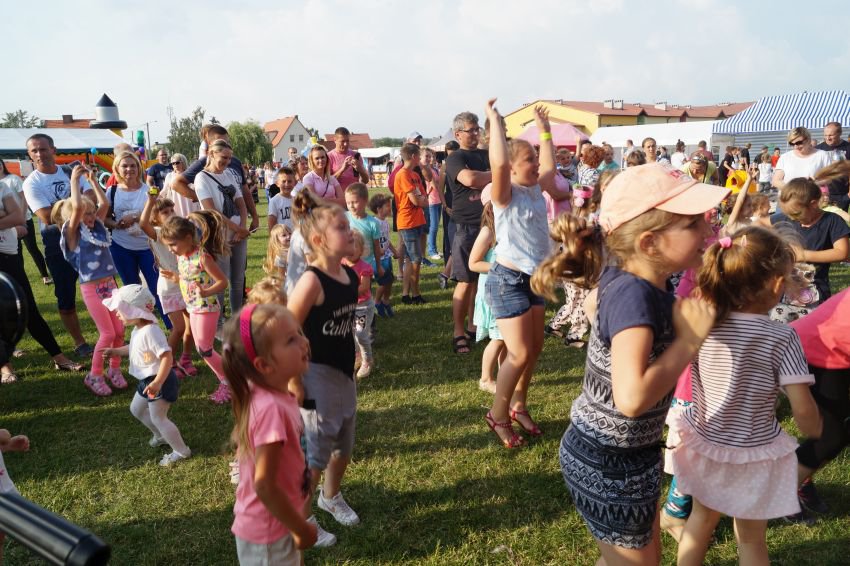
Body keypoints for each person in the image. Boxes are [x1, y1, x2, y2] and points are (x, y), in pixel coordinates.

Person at [533, 163, 728, 564]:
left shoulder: (634, 282)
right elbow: (632, 399)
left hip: (628, 456)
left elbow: (594, 306)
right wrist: (689, 340)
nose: (708, 231)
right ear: (649, 243)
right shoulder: (634, 296)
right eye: (693, 224)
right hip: (608, 463)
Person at [672, 226, 822, 565]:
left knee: (700, 523)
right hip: (755, 453)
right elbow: (802, 408)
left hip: (706, 444)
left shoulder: (703, 326)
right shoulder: (782, 337)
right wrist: (814, 427)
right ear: (778, 284)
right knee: (752, 540)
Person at [287, 190, 359, 548]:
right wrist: (293, 379)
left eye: (348, 225)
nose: (350, 231)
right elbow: (287, 330)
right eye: (341, 227)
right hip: (315, 376)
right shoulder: (311, 281)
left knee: (343, 444)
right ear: (318, 241)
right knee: (314, 455)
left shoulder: (349, 277)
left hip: (344, 375)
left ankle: (330, 497)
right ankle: (301, 521)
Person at [482, 101, 556, 448]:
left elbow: (550, 168)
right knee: (520, 353)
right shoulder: (504, 196)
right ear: (512, 168)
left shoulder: (536, 189)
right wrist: (495, 124)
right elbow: (498, 163)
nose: (536, 164)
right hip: (507, 282)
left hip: (533, 280)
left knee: (535, 348)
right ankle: (497, 415)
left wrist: (545, 131)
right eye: (530, 160)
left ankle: (518, 406)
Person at [222, 303, 317, 564]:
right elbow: (264, 484)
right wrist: (300, 528)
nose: (305, 342)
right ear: (263, 365)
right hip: (268, 533)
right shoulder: (270, 409)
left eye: (299, 333)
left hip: (278, 521)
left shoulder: (274, 394)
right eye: (291, 340)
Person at [0, 168, 83, 383]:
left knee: (27, 308)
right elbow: (11, 219)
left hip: (8, 255)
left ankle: (59, 358)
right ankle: (6, 368)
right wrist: (4, 217)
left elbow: (18, 216)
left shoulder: (2, 187)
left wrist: (9, 218)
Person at [102, 284, 192, 466]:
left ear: (134, 310)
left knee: (159, 418)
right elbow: (135, 347)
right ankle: (161, 435)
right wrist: (116, 351)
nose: (117, 314)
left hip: (159, 381)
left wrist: (158, 382)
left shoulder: (151, 331)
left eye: (120, 309)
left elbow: (167, 356)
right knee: (136, 409)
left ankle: (181, 451)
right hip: (147, 380)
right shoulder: (139, 329)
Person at [22, 133, 93, 357]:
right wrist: (78, 205)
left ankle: (110, 333)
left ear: (53, 150)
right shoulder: (31, 183)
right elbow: (46, 216)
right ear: (29, 155)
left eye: (43, 149)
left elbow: (91, 197)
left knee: (102, 289)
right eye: (34, 151)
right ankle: (80, 342)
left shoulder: (70, 171)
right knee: (66, 295)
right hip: (57, 242)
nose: (39, 154)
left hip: (87, 236)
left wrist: (65, 207)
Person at [60, 164, 127, 396]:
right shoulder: (73, 234)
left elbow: (104, 204)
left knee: (119, 330)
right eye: (84, 214)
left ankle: (114, 369)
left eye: (91, 213)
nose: (89, 217)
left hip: (110, 285)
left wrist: (92, 180)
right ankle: (94, 374)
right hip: (92, 288)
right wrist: (75, 180)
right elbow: (78, 206)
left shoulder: (96, 228)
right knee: (107, 333)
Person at [790, 286, 850, 523]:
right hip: (813, 349)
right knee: (831, 435)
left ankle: (800, 476)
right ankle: (782, 495)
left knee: (839, 432)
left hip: (833, 349)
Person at [160, 213, 231, 403]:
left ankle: (229, 382)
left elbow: (223, 282)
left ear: (188, 238)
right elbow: (189, 278)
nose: (170, 249)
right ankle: (228, 379)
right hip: (193, 308)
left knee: (205, 349)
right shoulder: (182, 257)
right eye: (168, 245)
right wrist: (176, 278)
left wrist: (207, 292)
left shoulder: (203, 257)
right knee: (203, 349)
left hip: (206, 308)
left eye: (173, 244)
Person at [445, 110, 492, 354]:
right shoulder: (455, 157)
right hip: (465, 226)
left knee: (479, 280)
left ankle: (474, 325)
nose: (475, 134)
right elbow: (471, 179)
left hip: (489, 225)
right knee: (464, 281)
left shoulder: (486, 154)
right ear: (458, 134)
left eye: (477, 129)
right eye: (470, 130)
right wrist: (497, 174)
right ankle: (458, 331)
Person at [106, 151, 168, 324]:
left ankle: (172, 327)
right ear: (117, 169)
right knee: (132, 291)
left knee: (158, 288)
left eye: (133, 165)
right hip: (121, 247)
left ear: (139, 168)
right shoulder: (111, 191)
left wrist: (135, 217)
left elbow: (159, 218)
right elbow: (104, 218)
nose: (129, 169)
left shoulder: (149, 191)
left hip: (148, 247)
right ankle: (142, 327)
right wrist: (116, 224)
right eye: (124, 166)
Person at [139, 194, 197, 378]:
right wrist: (150, 201)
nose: (171, 214)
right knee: (178, 328)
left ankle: (186, 359)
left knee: (191, 326)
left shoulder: (180, 232)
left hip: (185, 284)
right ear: (156, 218)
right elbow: (143, 224)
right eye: (165, 212)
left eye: (172, 210)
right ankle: (168, 363)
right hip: (169, 289)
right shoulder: (158, 234)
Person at [194, 139, 251, 319]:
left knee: (238, 279)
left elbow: (241, 203)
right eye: (224, 158)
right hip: (219, 235)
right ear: (211, 154)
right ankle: (217, 322)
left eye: (229, 158)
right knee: (220, 279)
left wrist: (242, 227)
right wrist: (237, 228)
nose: (227, 162)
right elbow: (212, 211)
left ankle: (237, 319)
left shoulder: (228, 174)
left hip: (238, 233)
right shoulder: (201, 177)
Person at [771, 177, 850, 302]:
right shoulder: (788, 218)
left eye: (796, 214)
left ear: (813, 204)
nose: (792, 218)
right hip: (783, 293)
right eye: (788, 214)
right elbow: (760, 223)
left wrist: (803, 255)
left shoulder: (832, 221)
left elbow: (842, 252)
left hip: (815, 291)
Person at [172, 124, 260, 233]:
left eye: (227, 141)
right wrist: (200, 197)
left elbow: (245, 191)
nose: (225, 144)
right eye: (220, 141)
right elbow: (176, 184)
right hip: (217, 227)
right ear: (210, 144)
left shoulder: (235, 162)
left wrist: (254, 217)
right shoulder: (202, 164)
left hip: (238, 222)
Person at [468, 201, 502, 395]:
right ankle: (486, 378)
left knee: (506, 339)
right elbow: (473, 263)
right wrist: (500, 267)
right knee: (498, 338)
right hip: (493, 293)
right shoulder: (488, 232)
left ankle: (504, 374)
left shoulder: (506, 230)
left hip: (506, 292)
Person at [0, 159, 50, 285]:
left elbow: (24, 198)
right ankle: (19, 278)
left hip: (24, 220)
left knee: (32, 248)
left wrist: (21, 219)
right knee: (16, 252)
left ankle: (45, 275)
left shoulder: (13, 179)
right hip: (10, 224)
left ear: (3, 165)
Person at [394, 143, 428, 305]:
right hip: (407, 222)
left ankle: (406, 294)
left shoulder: (414, 174)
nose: (420, 158)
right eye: (419, 155)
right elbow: (416, 200)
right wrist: (420, 200)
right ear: (414, 156)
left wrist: (421, 200)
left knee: (410, 259)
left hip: (417, 220)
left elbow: (424, 198)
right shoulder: (402, 175)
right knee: (416, 259)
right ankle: (415, 294)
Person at [342, 231, 375, 379]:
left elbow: (364, 288)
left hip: (363, 307)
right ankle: (357, 356)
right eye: (347, 245)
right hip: (348, 307)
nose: (351, 249)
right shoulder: (341, 264)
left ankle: (367, 360)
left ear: (362, 250)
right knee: (349, 334)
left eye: (355, 246)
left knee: (361, 334)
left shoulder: (364, 267)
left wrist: (345, 289)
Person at [344, 183, 383, 282]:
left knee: (364, 289)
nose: (351, 206)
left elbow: (376, 247)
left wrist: (378, 266)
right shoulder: (343, 218)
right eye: (348, 203)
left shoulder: (373, 223)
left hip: (365, 267)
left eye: (355, 202)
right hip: (346, 265)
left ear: (365, 201)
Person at [368, 193, 398, 318]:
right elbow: (371, 241)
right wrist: (377, 250)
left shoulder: (385, 222)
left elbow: (386, 240)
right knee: (383, 282)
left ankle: (385, 301)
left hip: (387, 257)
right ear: (379, 209)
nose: (390, 208)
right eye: (387, 206)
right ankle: (377, 302)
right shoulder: (374, 223)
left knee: (389, 280)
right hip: (378, 260)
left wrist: (394, 251)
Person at [816, 122, 850, 211]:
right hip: (822, 194)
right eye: (825, 135)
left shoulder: (848, 147)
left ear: (839, 133)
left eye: (831, 135)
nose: (828, 138)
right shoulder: (817, 149)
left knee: (840, 218)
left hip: (842, 193)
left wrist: (848, 195)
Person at [422, 147, 446, 260]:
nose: (432, 159)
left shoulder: (435, 169)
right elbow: (435, 185)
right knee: (433, 227)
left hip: (438, 200)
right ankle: (431, 251)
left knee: (435, 227)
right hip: (431, 201)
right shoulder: (427, 170)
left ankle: (434, 250)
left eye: (433, 156)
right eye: (429, 156)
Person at [161, 153, 198, 218]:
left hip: (190, 203)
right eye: (173, 163)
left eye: (177, 162)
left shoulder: (191, 174)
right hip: (176, 203)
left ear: (183, 162)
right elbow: (164, 191)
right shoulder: (169, 176)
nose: (175, 165)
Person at [268, 166, 297, 231]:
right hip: (282, 236)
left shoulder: (296, 200)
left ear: (294, 183)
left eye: (289, 181)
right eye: (283, 181)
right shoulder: (274, 201)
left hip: (295, 236)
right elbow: (271, 223)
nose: (287, 184)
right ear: (277, 183)